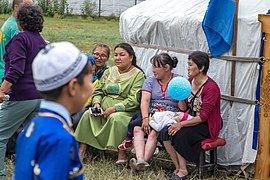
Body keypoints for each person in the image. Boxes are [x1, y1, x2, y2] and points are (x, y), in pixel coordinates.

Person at [14, 41, 92, 179]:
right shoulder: (59, 138)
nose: (92, 87)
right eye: (89, 81)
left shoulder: (32, 127)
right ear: (73, 86)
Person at [74, 43, 145, 161]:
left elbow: (134, 99)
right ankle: (81, 151)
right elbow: (98, 91)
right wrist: (97, 103)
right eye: (116, 55)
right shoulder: (109, 72)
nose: (117, 58)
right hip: (103, 107)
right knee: (88, 115)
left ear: (131, 57)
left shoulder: (138, 75)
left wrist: (114, 108)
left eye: (122, 55)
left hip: (125, 111)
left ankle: (121, 155)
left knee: (115, 118)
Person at [0, 4, 46, 179]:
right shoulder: (41, 41)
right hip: (39, 97)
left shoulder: (20, 39)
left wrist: (2, 90)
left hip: (22, 96)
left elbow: (16, 69)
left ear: (19, 21)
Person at [160, 51, 222, 180]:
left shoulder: (211, 88)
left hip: (206, 125)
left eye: (190, 65)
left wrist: (180, 124)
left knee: (179, 133)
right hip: (190, 120)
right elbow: (184, 108)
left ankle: (183, 172)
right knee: (165, 132)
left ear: (201, 68)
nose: (187, 68)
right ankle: (178, 168)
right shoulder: (188, 82)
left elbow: (204, 117)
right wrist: (181, 96)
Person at [119, 53, 180, 170]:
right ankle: (141, 160)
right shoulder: (150, 81)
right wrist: (145, 118)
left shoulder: (178, 81)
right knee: (137, 129)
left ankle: (141, 163)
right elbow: (145, 101)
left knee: (153, 132)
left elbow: (182, 105)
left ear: (166, 67)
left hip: (168, 117)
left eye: (156, 67)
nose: (153, 70)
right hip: (151, 114)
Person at [0, 0, 33, 85]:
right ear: (16, 7)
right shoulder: (15, 27)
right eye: (27, 7)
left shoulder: (9, 22)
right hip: (7, 74)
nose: (31, 10)